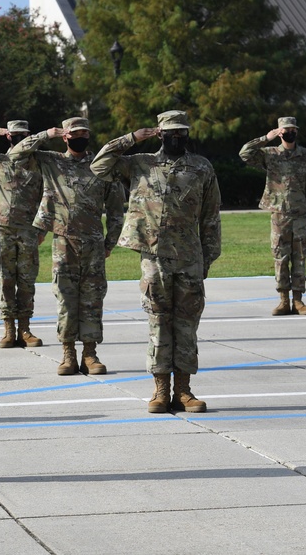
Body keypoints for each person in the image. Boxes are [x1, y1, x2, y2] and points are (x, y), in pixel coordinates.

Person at [91, 111, 221, 413]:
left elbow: (211, 215)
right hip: (153, 256)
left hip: (189, 257)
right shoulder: (139, 163)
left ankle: (185, 391)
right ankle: (161, 389)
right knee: (158, 322)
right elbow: (99, 166)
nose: (177, 136)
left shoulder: (201, 167)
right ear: (159, 133)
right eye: (171, 132)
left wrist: (208, 256)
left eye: (182, 132)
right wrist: (132, 138)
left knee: (187, 324)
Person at [10, 117, 124, 375]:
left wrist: (110, 242)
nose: (80, 137)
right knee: (65, 299)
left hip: (94, 243)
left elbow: (117, 208)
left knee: (92, 300)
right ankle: (68, 353)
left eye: (84, 132)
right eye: (75, 134)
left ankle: (91, 354)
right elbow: (15, 155)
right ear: (65, 137)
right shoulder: (52, 161)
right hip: (63, 242)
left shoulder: (101, 166)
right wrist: (46, 133)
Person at [0, 121, 45, 348]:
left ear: (29, 135)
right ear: (7, 137)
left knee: (26, 281)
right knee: (5, 280)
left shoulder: (39, 163)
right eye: (14, 135)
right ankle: (8, 330)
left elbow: (48, 195)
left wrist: (42, 227)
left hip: (28, 230)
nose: (18, 138)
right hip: (1, 230)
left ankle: (25, 329)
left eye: (22, 135)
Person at [239, 117, 306, 316]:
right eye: (285, 130)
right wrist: (265, 138)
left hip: (300, 213)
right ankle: (283, 300)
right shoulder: (270, 154)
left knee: (300, 256)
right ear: (279, 132)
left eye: (292, 129)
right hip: (279, 212)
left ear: (296, 132)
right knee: (280, 257)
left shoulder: (305, 155)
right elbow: (245, 153)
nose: (289, 133)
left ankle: (298, 300)